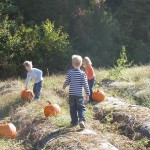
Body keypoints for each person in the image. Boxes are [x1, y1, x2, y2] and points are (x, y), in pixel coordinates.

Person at [63, 55, 90, 128]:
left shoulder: (70, 72)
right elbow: (85, 84)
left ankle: (74, 122)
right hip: (79, 94)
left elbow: (67, 81)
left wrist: (64, 86)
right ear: (81, 64)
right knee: (81, 107)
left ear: (72, 64)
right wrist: (87, 94)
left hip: (72, 94)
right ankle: (81, 120)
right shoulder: (82, 73)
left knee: (73, 108)